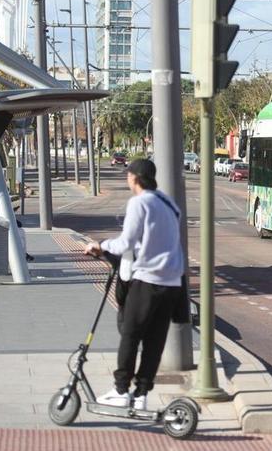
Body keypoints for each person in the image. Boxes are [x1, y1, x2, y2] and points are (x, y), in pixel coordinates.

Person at [83, 159, 184, 410]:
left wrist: (101, 246)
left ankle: (121, 390)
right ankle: (141, 394)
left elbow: (126, 242)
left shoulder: (139, 203)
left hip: (148, 279)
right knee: (154, 341)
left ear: (133, 177)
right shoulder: (168, 203)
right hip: (172, 282)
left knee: (130, 333)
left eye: (128, 175)